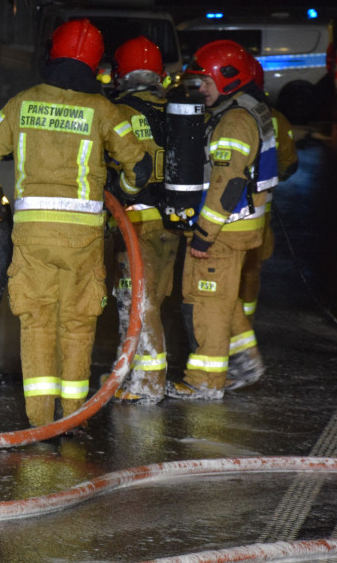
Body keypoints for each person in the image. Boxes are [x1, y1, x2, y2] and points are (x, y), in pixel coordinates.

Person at [0, 19, 152, 426]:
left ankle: (40, 422)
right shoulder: (104, 111)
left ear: (52, 53)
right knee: (76, 322)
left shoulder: (23, 103)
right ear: (95, 63)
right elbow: (139, 169)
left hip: (32, 236)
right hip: (82, 239)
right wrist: (120, 188)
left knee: (36, 321)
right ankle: (73, 417)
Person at [167, 40, 278, 400]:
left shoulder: (234, 120)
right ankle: (246, 362)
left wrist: (204, 233)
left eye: (207, 83)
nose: (201, 90)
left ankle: (204, 380)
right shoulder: (248, 109)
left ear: (228, 79)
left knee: (207, 303)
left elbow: (229, 181)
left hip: (224, 231)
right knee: (225, 300)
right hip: (242, 228)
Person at [107, 36, 181, 404]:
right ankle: (138, 372)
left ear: (122, 74)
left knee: (137, 300)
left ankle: (147, 383)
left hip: (136, 222)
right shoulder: (176, 111)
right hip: (173, 223)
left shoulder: (119, 113)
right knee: (154, 299)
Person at [228, 57, 299, 389]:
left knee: (224, 282)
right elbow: (289, 164)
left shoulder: (231, 118)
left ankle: (236, 340)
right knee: (250, 273)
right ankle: (245, 328)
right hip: (261, 217)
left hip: (228, 219)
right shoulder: (275, 118)